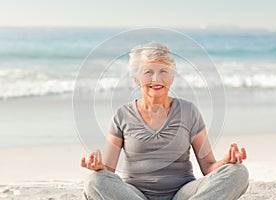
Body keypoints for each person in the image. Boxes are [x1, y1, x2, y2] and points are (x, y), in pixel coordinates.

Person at [81, 42, 249, 200]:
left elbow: (208, 167)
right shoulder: (122, 115)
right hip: (136, 195)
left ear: (172, 77)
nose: (156, 78)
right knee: (94, 181)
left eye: (163, 71)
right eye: (148, 72)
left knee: (238, 172)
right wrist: (98, 168)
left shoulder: (189, 111)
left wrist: (226, 161)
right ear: (136, 78)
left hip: (184, 194)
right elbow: (108, 171)